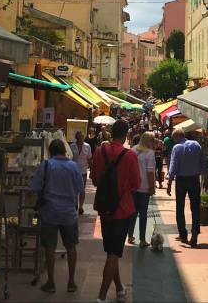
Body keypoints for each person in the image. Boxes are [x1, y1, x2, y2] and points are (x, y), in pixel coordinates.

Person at [92, 119, 140, 303]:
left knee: (112, 251)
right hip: (122, 210)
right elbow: (136, 183)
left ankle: (119, 289)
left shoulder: (99, 151)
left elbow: (95, 180)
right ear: (126, 135)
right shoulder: (129, 156)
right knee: (114, 253)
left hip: (104, 210)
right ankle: (102, 296)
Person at [30, 139, 84, 294]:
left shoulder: (46, 165)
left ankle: (51, 282)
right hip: (68, 213)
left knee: (49, 247)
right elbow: (80, 188)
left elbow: (35, 186)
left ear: (51, 152)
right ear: (64, 151)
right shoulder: (73, 166)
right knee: (71, 247)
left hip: (49, 213)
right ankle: (71, 282)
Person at [167, 129, 206, 247]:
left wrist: (169, 182)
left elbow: (173, 165)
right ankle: (194, 233)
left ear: (176, 138)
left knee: (180, 206)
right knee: (195, 207)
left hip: (181, 180)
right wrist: (205, 177)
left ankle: (183, 234)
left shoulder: (177, 148)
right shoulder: (196, 145)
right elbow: (202, 162)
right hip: (194, 179)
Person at [128, 131, 156, 247]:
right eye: (153, 140)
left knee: (133, 213)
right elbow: (150, 172)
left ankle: (130, 236)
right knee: (143, 214)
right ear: (148, 140)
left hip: (133, 187)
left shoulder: (133, 149)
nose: (154, 142)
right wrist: (152, 187)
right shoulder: (150, 153)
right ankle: (142, 240)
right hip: (144, 188)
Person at [70, 131, 92, 215]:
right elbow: (69, 158)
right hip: (73, 171)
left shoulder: (87, 146)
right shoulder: (72, 146)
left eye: (82, 137)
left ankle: (81, 206)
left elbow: (89, 158)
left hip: (83, 171)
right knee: (74, 189)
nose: (80, 138)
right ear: (76, 137)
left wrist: (91, 170)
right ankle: (75, 204)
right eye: (79, 137)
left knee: (82, 190)